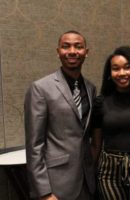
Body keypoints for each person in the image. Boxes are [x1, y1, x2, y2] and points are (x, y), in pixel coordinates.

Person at [24, 30, 96, 200]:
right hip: (56, 184)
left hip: (87, 182)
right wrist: (44, 192)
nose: (72, 51)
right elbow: (34, 144)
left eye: (78, 46)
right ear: (58, 52)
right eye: (66, 46)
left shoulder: (91, 88)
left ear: (86, 52)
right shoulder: (40, 88)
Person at [91, 46, 130, 200]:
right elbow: (96, 144)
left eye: (127, 68)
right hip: (109, 171)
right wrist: (91, 171)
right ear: (109, 74)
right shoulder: (101, 103)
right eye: (116, 69)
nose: (121, 73)